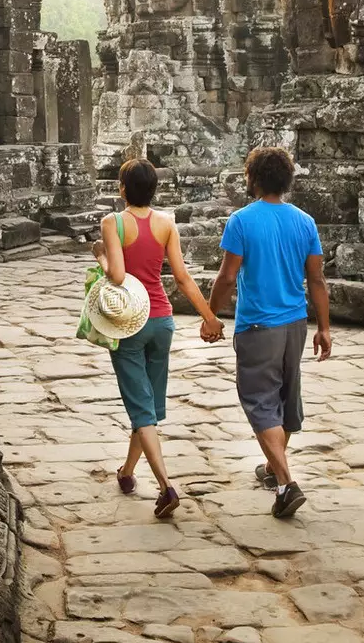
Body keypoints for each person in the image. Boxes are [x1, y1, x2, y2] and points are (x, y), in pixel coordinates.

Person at [208, 146, 331, 519]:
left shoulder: (242, 221)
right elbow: (317, 279)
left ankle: (285, 483)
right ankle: (272, 468)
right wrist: (324, 327)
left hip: (258, 325)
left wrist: (210, 314)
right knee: (282, 400)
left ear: (255, 179)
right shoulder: (304, 222)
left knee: (261, 402)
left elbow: (228, 276)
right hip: (295, 324)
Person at [98, 158, 225, 519]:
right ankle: (126, 472)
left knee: (142, 410)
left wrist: (103, 258)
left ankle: (166, 485)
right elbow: (183, 277)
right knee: (149, 407)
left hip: (129, 324)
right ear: (155, 190)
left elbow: (118, 276)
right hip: (162, 320)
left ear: (122, 189)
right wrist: (209, 317)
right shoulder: (166, 224)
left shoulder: (113, 223)